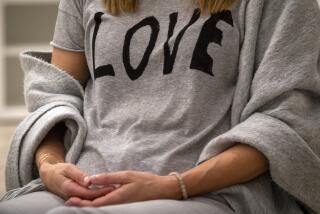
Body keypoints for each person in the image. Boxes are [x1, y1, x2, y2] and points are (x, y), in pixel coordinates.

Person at [0, 0, 319, 213]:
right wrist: (50, 165)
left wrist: (174, 185)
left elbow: (286, 118)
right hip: (85, 184)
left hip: (208, 193)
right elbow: (56, 93)